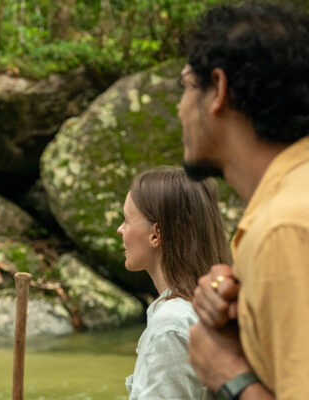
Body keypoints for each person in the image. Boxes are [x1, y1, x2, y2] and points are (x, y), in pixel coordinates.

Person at [177, 3, 309, 399]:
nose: (179, 109)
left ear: (217, 89)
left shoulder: (284, 229)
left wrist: (228, 372)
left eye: (184, 87)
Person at [118, 168, 230, 400]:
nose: (120, 229)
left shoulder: (170, 325)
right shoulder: (211, 306)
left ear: (155, 234)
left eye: (127, 220)